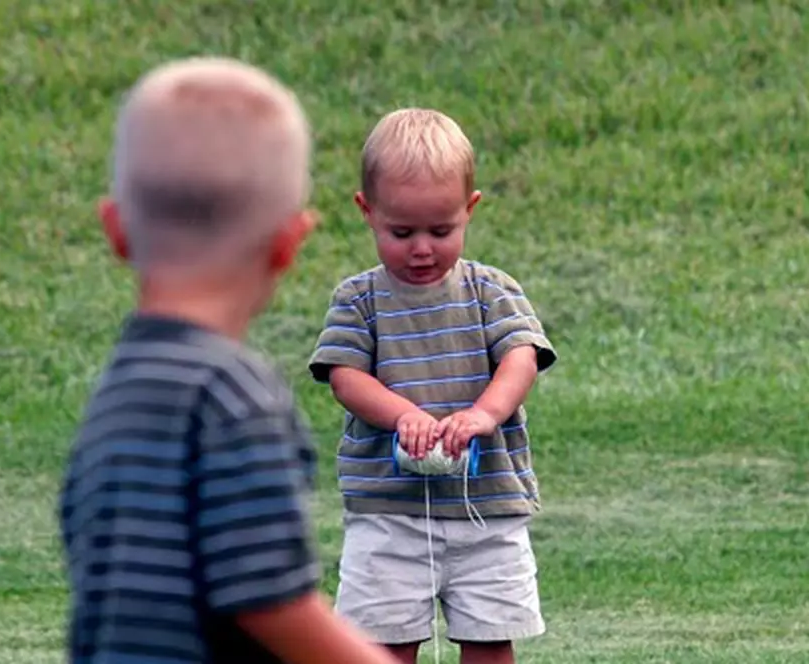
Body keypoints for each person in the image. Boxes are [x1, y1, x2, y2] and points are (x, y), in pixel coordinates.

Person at [58, 56, 397, 664]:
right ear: (288, 243)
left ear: (115, 230)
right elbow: (273, 604)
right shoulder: (230, 396)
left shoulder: (116, 392)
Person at [307, 108, 558, 664]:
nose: (422, 248)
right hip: (387, 513)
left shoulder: (491, 291)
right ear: (367, 212)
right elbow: (345, 377)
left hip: (487, 508)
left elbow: (521, 357)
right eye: (402, 232)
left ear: (469, 209)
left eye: (441, 231)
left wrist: (485, 414)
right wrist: (404, 416)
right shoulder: (358, 300)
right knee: (383, 644)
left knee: (490, 640)